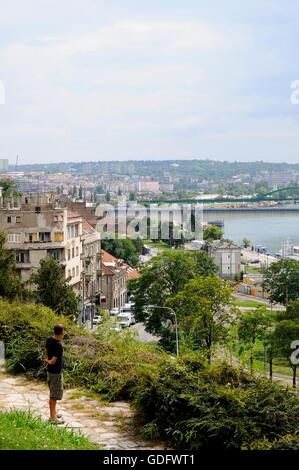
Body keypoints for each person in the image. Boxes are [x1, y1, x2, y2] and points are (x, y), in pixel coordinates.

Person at [45, 324, 65, 424]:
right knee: (54, 396)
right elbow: (53, 361)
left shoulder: (49, 339)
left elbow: (46, 351)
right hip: (56, 373)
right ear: (62, 333)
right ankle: (52, 418)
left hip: (50, 371)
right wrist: (49, 361)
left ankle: (54, 412)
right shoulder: (58, 345)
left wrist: (46, 361)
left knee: (54, 394)